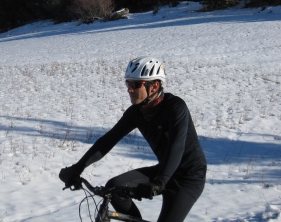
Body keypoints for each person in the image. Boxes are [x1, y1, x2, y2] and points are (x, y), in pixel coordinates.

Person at [59, 56, 207, 222]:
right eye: (128, 83)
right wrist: (78, 168)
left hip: (188, 177)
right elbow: (108, 140)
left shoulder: (175, 107)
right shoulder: (136, 113)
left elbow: (176, 146)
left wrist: (160, 182)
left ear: (154, 86)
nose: (129, 89)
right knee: (113, 188)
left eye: (135, 84)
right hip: (163, 171)